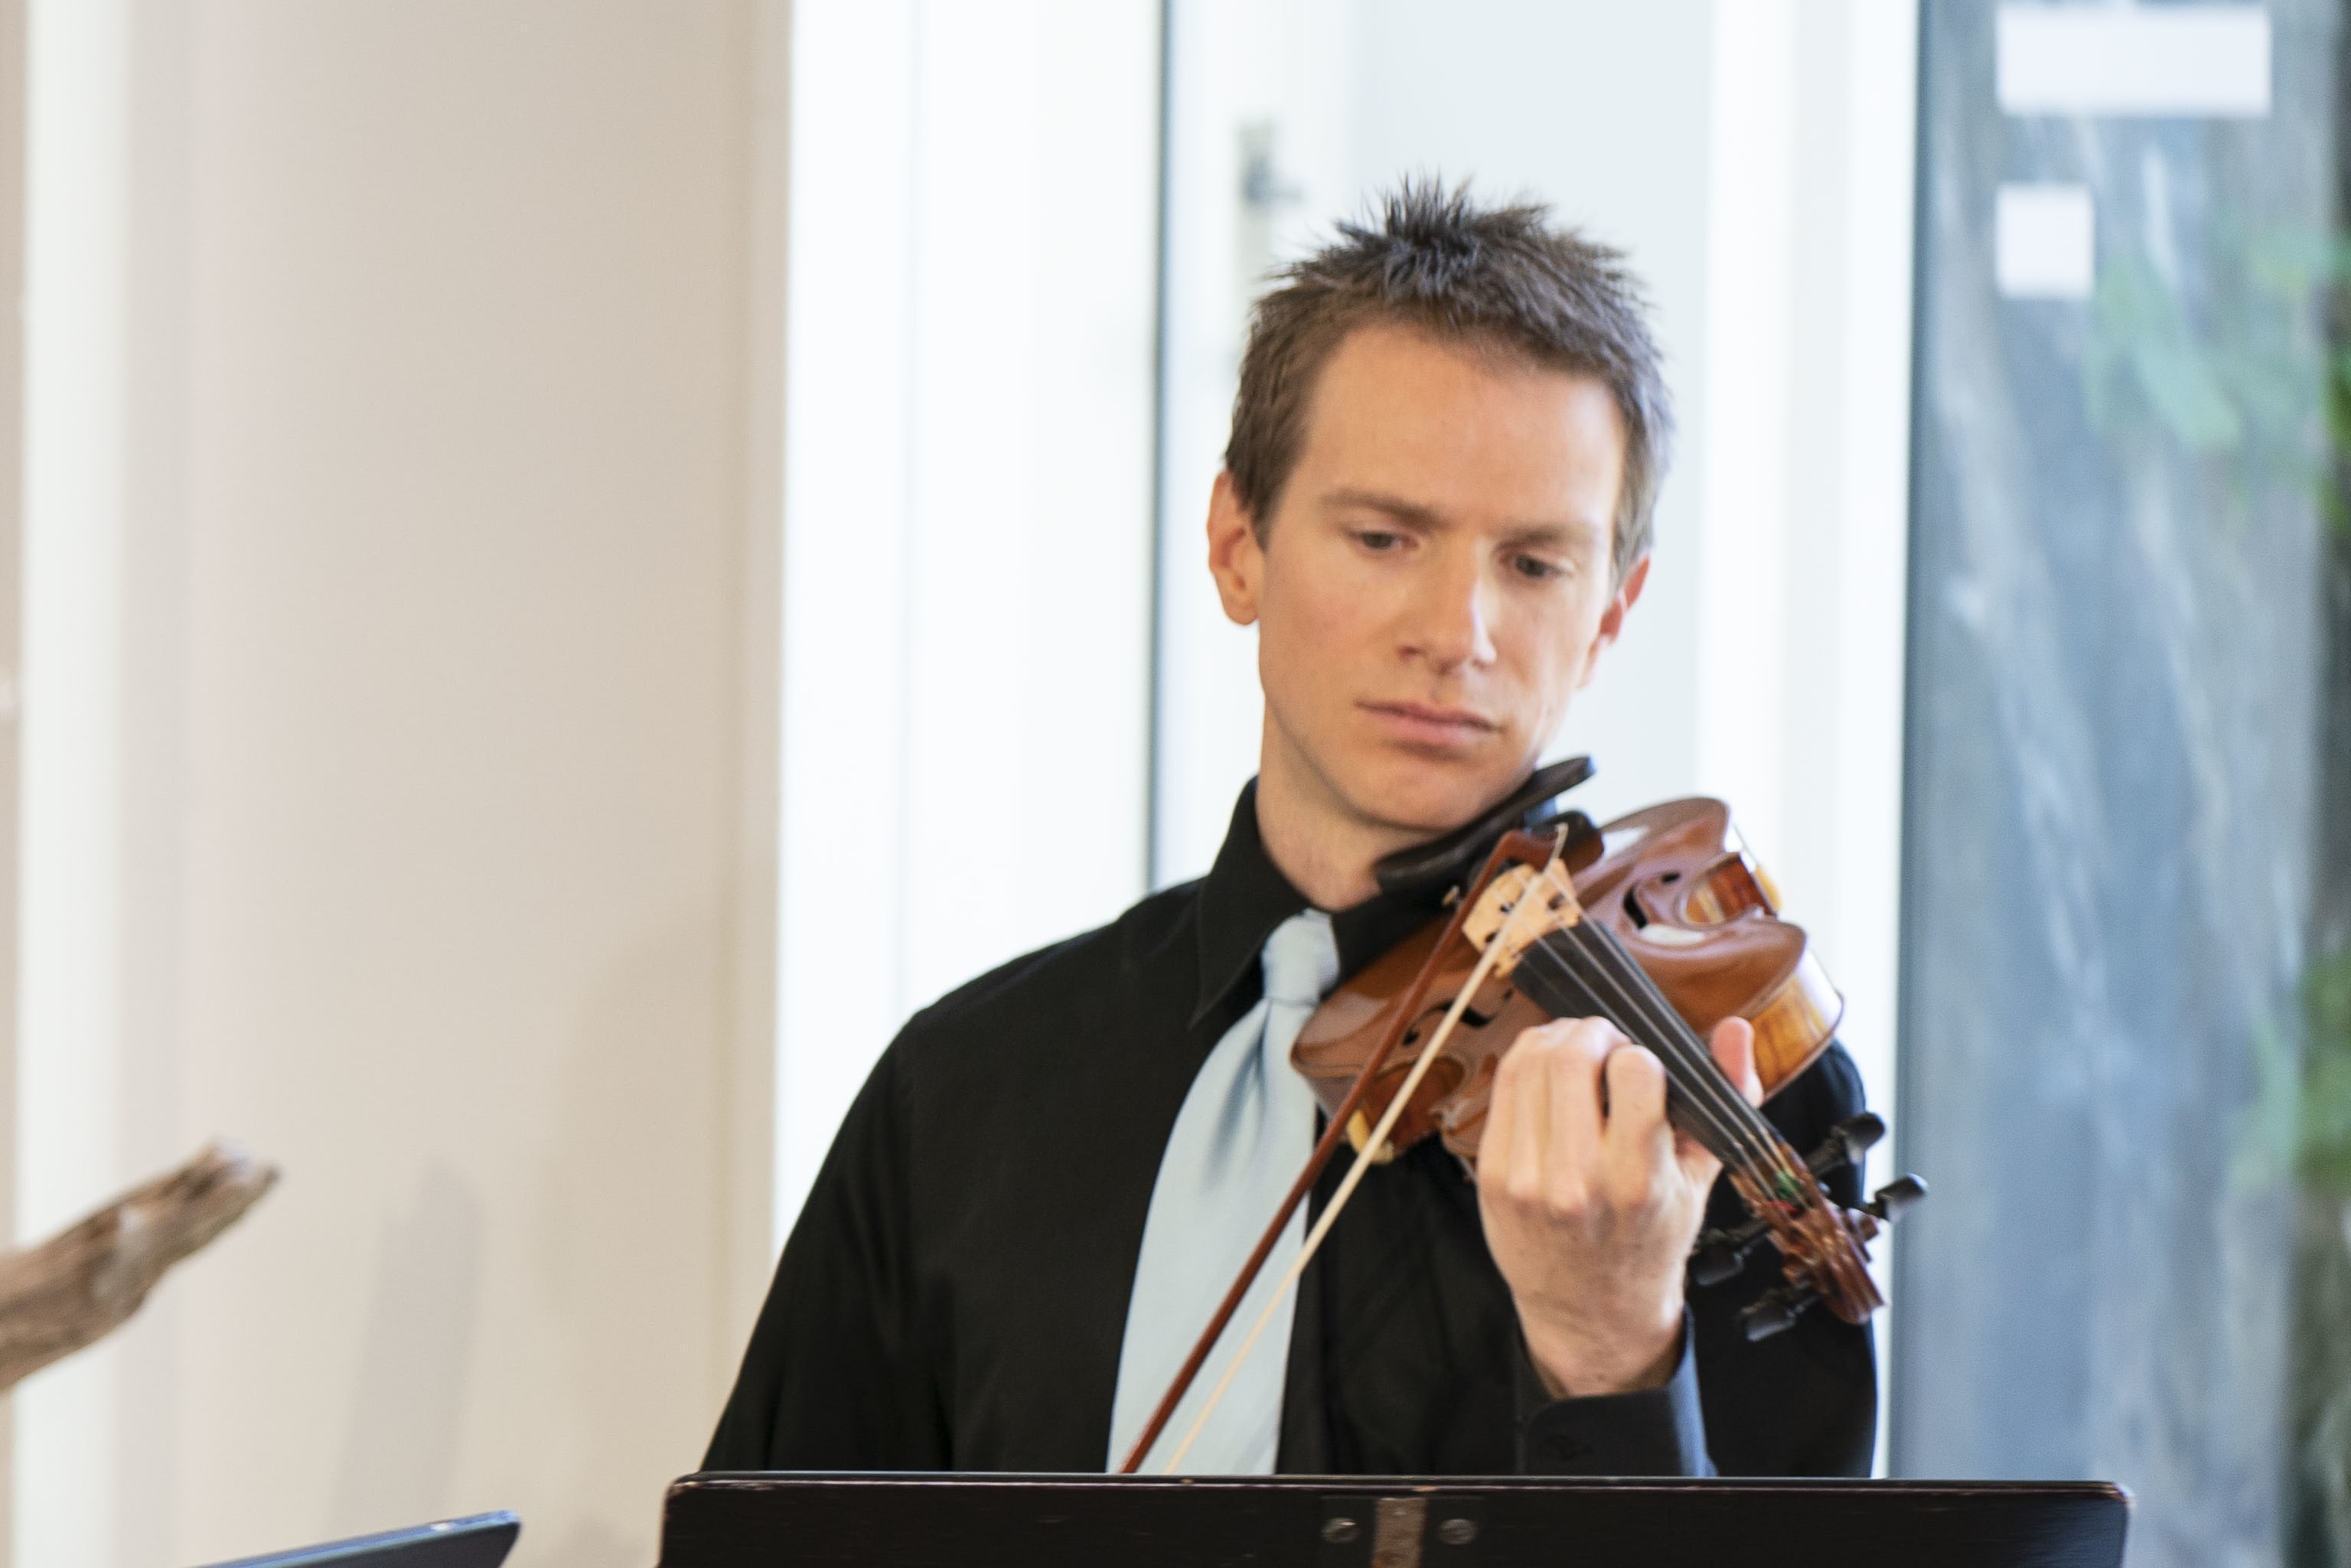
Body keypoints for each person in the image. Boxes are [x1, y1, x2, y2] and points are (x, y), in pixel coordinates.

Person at [704, 183, 1876, 1478]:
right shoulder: (960, 1099)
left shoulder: (1718, 1096)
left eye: (1535, 564)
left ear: (1612, 611)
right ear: (1236, 545)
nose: (1458, 634)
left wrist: (1612, 1350)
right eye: (1384, 537)